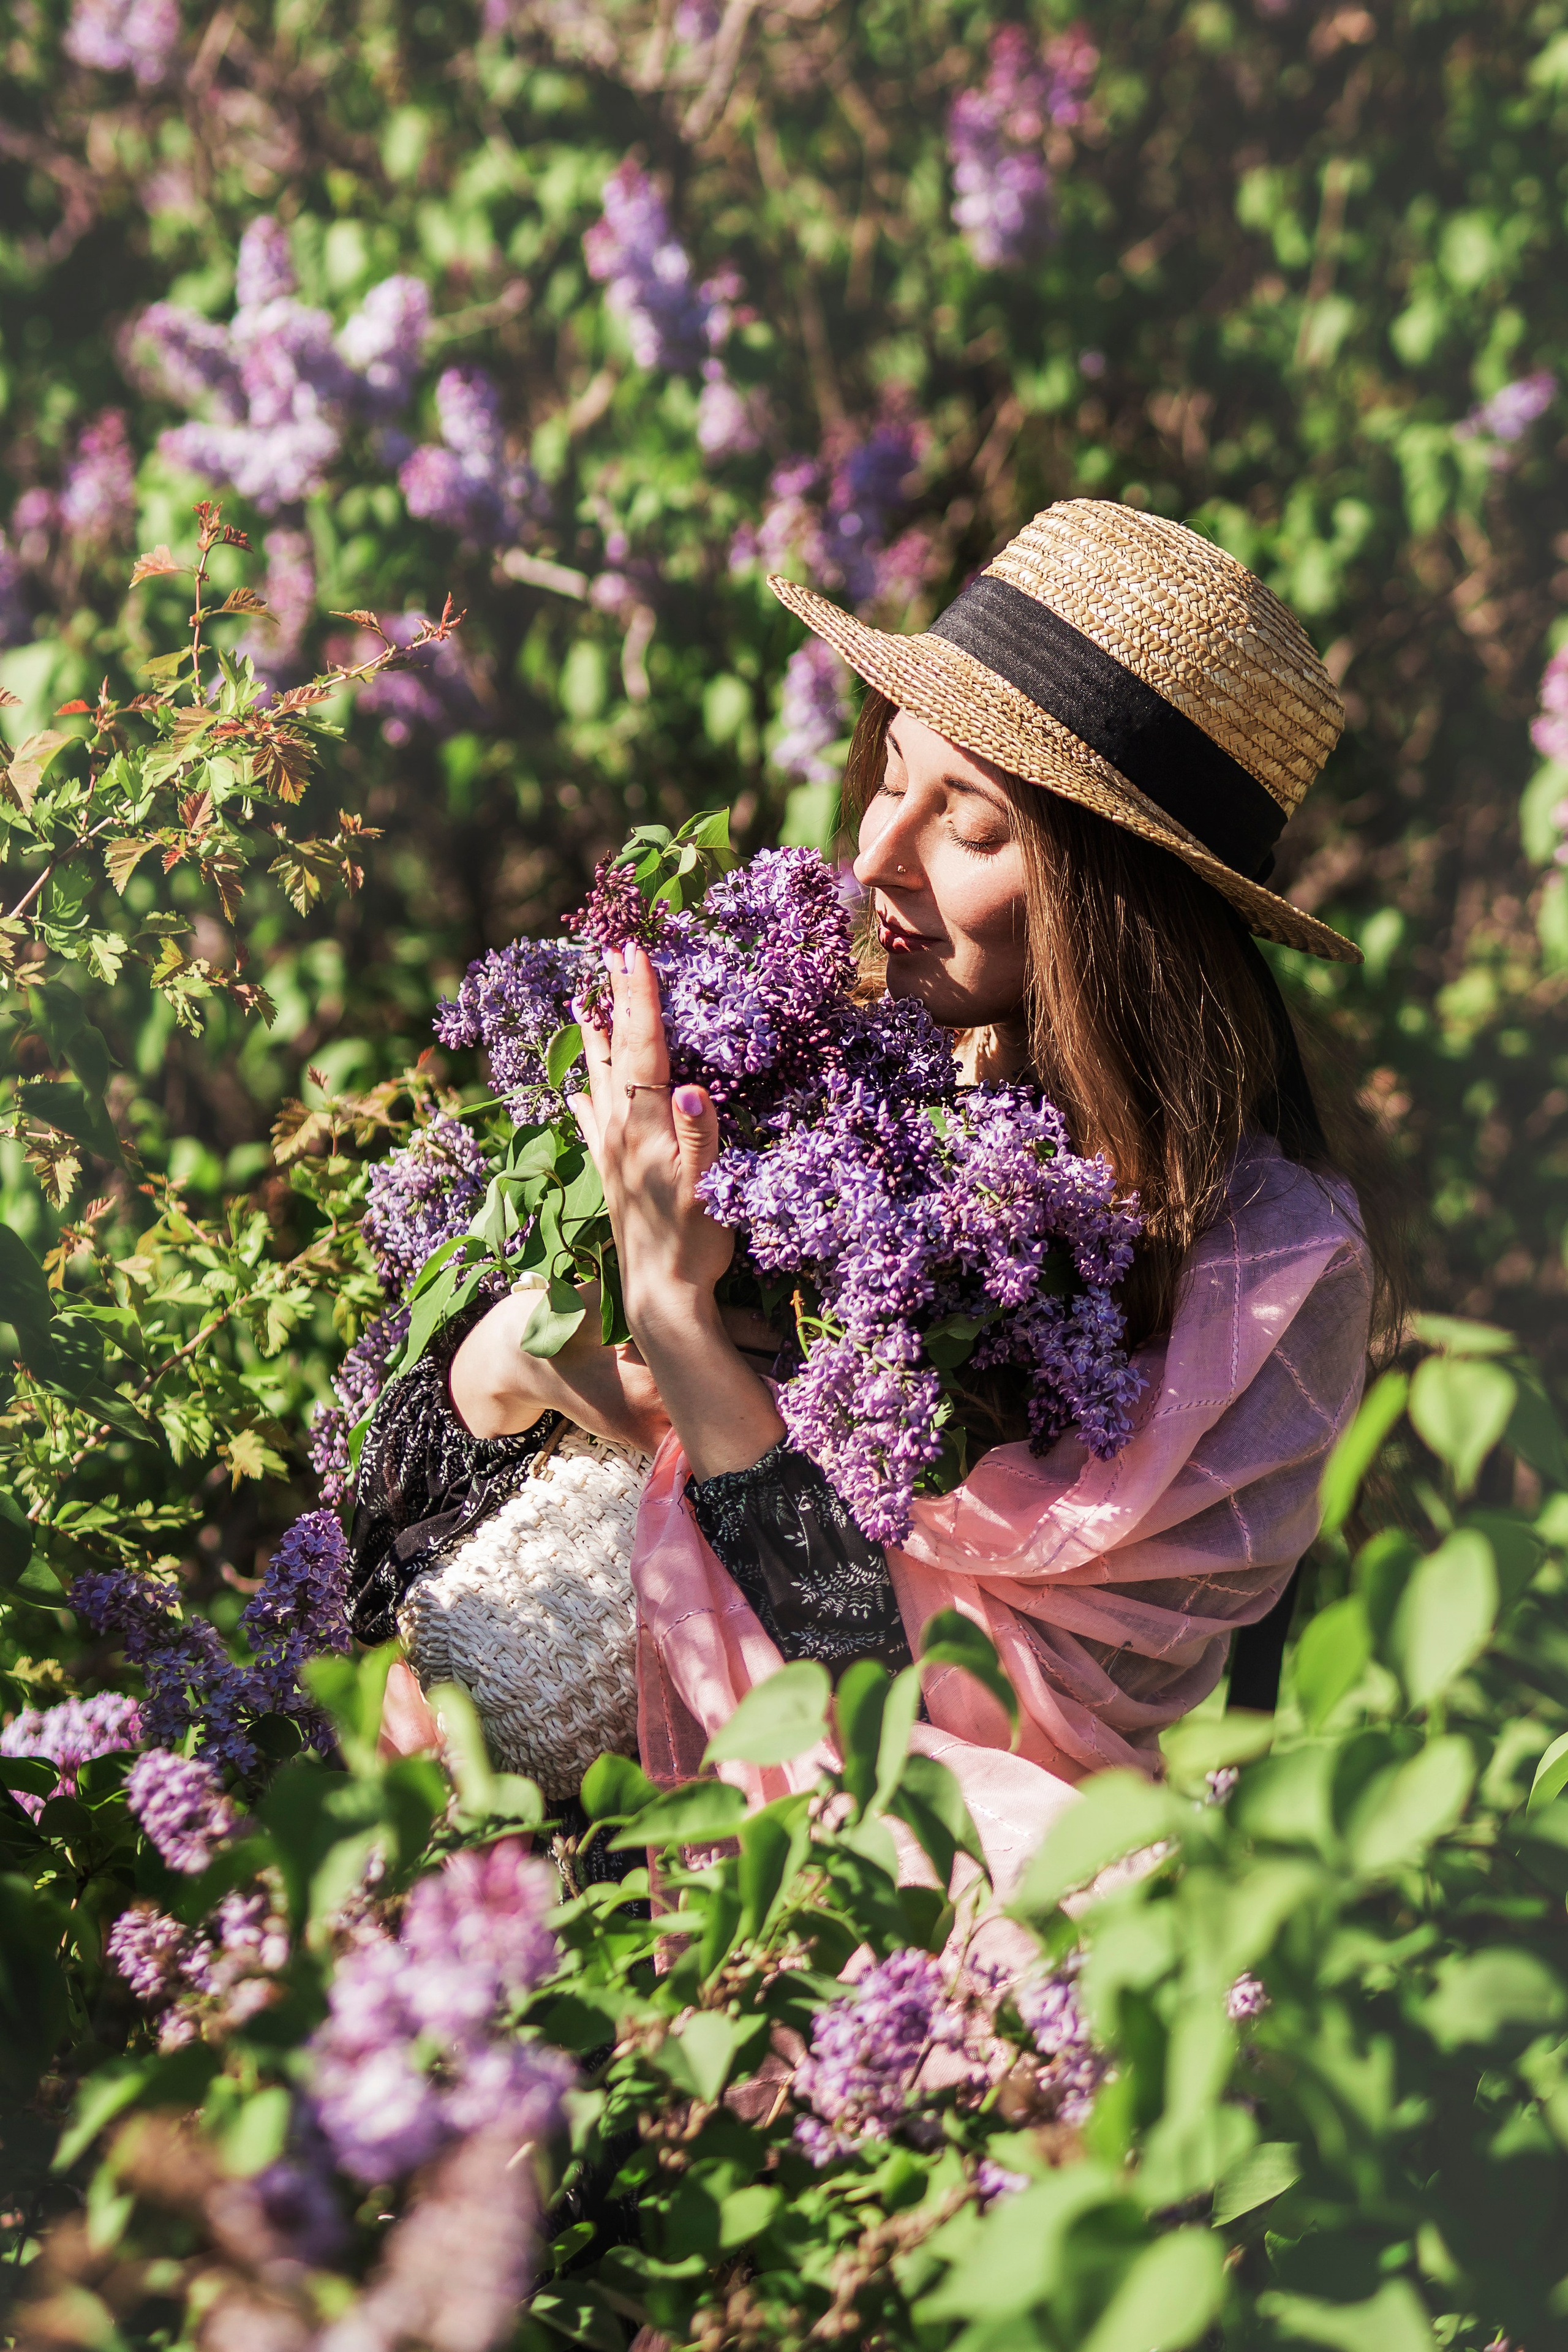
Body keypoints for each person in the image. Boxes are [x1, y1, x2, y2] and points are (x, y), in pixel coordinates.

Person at [353, 497, 1400, 1890]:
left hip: (886, 1890)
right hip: (523, 1852)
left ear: (1116, 900)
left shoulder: (1264, 1275)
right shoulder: (824, 1053)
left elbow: (892, 1710)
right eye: (887, 775)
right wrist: (504, 1363)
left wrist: (673, 1325)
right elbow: (369, 1546)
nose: (872, 856)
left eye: (965, 822)